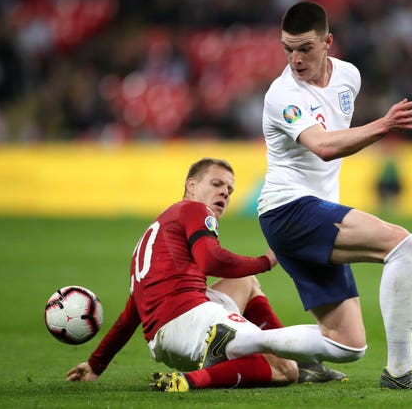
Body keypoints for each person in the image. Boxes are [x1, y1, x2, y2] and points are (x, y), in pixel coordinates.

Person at [253, 1, 412, 390]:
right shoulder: (282, 95)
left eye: (305, 48)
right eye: (288, 49)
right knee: (402, 245)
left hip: (310, 213)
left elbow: (337, 139)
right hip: (288, 208)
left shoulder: (348, 76)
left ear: (328, 42)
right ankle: (401, 373)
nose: (295, 59)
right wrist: (384, 125)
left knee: (346, 345)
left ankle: (239, 343)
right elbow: (324, 146)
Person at [66, 157, 346, 391]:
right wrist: (267, 260)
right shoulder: (194, 210)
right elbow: (211, 259)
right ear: (191, 186)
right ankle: (194, 379)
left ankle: (298, 362)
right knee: (286, 372)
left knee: (245, 282)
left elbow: (132, 313)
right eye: (216, 184)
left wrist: (96, 364)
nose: (224, 192)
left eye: (229, 189)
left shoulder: (158, 231)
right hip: (190, 320)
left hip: (166, 335)